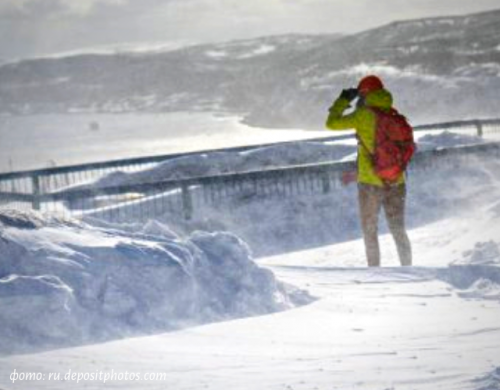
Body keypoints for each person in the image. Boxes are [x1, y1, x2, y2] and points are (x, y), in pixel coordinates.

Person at [325, 75, 412, 267]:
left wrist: (344, 100)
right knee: (398, 229)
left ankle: (375, 272)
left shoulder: (363, 116)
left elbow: (331, 123)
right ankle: (408, 267)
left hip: (370, 184)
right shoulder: (394, 115)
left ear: (364, 94)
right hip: (397, 182)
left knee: (370, 230)